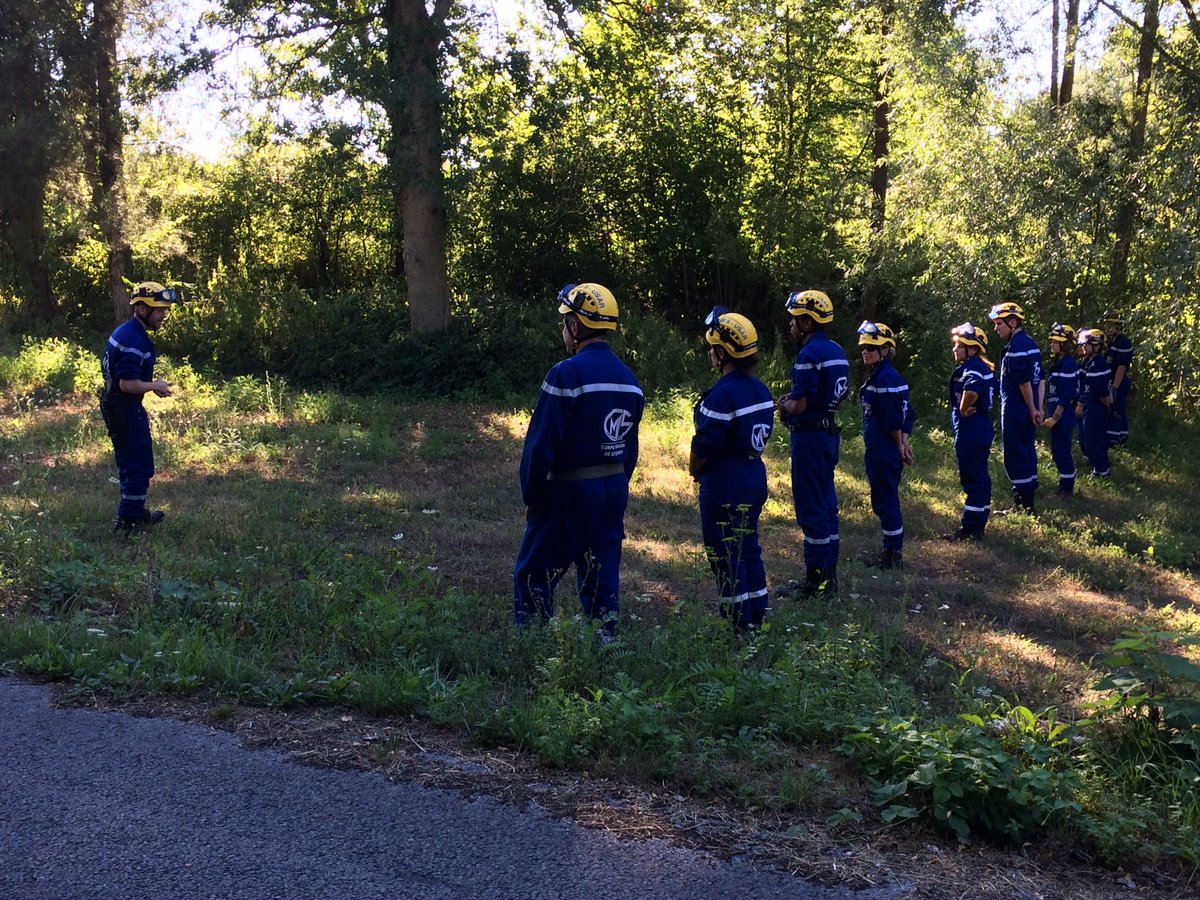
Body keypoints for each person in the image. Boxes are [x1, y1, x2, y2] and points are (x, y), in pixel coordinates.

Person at [513, 283, 645, 639]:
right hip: (612, 490)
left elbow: (541, 444)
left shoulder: (566, 375)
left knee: (535, 573)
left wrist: (533, 496)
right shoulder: (630, 381)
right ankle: (606, 652)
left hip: (569, 491)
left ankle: (532, 647)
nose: (563, 330)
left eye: (565, 322)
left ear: (576, 326)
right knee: (602, 580)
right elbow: (629, 450)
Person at [689, 308, 775, 631]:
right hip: (754, 476)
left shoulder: (720, 396)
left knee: (724, 552)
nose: (711, 354)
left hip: (724, 481)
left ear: (723, 353)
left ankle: (737, 624)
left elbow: (703, 446)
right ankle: (757, 613)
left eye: (713, 348)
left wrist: (694, 471)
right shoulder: (763, 392)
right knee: (748, 545)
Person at [776, 289, 849, 597]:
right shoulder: (836, 350)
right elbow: (840, 397)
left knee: (812, 508)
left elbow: (800, 404)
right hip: (828, 434)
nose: (790, 324)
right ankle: (828, 578)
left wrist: (784, 404)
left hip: (808, 437)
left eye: (794, 319)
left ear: (807, 322)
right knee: (827, 506)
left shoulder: (809, 355)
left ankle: (815, 582)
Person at [100, 281, 180, 536]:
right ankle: (127, 523)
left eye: (166, 310)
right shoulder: (134, 339)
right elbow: (127, 384)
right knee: (139, 465)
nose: (164, 315)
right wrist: (153, 384)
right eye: (160, 310)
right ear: (143, 309)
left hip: (118, 405)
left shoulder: (127, 331)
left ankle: (135, 511)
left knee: (130, 461)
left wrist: (149, 386)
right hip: (124, 408)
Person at [857, 322, 915, 569]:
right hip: (884, 446)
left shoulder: (885, 378)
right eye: (864, 347)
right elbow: (907, 413)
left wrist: (900, 444)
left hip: (883, 448)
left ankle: (892, 555)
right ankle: (890, 549)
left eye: (872, 347)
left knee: (885, 499)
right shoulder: (885, 375)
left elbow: (895, 418)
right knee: (884, 497)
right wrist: (903, 442)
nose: (866, 351)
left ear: (885, 350)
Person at [988, 301, 1043, 514]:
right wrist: (1038, 408)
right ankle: (1025, 504)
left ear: (1012, 322)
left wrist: (1031, 408)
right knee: (1027, 451)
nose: (996, 328)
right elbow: (1041, 379)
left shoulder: (1015, 348)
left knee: (1015, 453)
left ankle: (1024, 507)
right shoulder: (1031, 344)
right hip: (1029, 409)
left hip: (1017, 409)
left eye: (999, 323)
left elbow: (1024, 382)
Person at [943, 322, 995, 542]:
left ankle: (971, 529)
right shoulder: (980, 366)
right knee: (980, 477)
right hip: (978, 427)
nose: (955, 349)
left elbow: (972, 389)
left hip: (971, 428)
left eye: (959, 345)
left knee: (973, 478)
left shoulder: (973, 367)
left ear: (972, 348)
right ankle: (978, 524)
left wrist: (963, 408)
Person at [1040, 323, 1080, 497]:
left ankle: (1066, 489)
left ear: (1065, 344)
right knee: (1058, 451)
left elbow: (1065, 395)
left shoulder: (1068, 365)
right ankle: (1064, 486)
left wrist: (1055, 418)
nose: (1053, 343)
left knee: (1062, 452)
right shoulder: (1060, 362)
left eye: (1057, 341)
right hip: (1059, 416)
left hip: (1063, 417)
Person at [1076, 327, 1113, 479]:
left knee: (1095, 439)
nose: (1083, 346)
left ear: (1097, 346)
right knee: (1089, 438)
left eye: (1087, 344)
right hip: (1090, 406)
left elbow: (1100, 392)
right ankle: (1098, 468)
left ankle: (1102, 470)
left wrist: (1107, 406)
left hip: (1096, 407)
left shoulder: (1099, 365)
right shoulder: (1088, 362)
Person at [1102, 311, 1133, 448]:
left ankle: (1116, 441)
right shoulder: (1111, 342)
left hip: (1118, 383)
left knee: (1116, 410)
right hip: (1110, 382)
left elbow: (1122, 367)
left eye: (1110, 324)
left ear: (1118, 326)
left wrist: (1114, 388)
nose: (1107, 327)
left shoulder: (1123, 343)